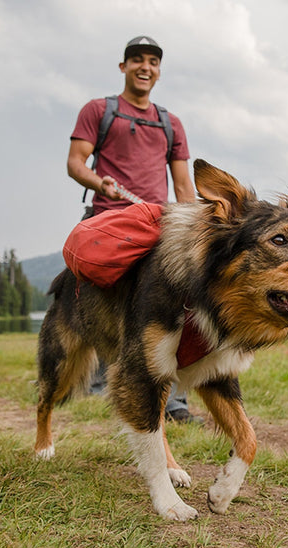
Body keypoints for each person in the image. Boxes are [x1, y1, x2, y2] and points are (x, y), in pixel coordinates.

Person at [66, 35, 201, 424]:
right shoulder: (98, 110)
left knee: (171, 308)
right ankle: (98, 384)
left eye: (153, 62)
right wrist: (97, 182)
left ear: (159, 71)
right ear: (123, 67)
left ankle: (173, 400)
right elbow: (76, 162)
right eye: (137, 60)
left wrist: (192, 229)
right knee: (97, 302)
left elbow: (183, 186)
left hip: (156, 225)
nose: (146, 67)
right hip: (107, 220)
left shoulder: (170, 123)